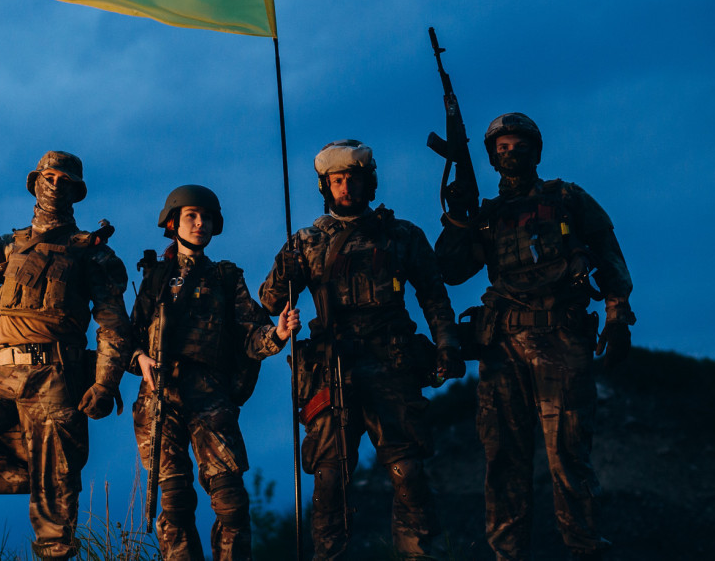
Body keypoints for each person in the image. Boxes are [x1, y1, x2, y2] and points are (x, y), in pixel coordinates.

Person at [434, 113, 635, 561]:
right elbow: (448, 271)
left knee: (569, 459)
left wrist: (617, 318)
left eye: (518, 144)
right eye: (501, 147)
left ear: (535, 150)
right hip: (502, 348)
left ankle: (584, 550)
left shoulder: (566, 198)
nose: (510, 153)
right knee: (503, 462)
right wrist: (459, 215)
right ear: (491, 157)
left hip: (561, 340)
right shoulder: (485, 217)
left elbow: (608, 254)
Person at [0, 151, 132, 561]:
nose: (54, 184)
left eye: (64, 179)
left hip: (52, 375)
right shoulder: (10, 247)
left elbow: (113, 326)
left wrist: (106, 384)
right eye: (48, 176)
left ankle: (54, 555)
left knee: (55, 481)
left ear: (76, 191)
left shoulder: (91, 252)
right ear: (35, 182)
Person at [258, 139, 464, 560]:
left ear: (369, 182)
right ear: (325, 187)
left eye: (352, 178)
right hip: (331, 369)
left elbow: (434, 296)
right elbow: (269, 299)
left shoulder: (401, 235)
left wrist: (447, 344)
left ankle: (420, 554)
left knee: (407, 471)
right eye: (336, 180)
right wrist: (289, 273)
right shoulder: (306, 242)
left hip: (392, 365)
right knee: (330, 478)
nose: (345, 187)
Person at [129, 185, 300, 561]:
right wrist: (140, 358)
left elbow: (251, 333)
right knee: (174, 501)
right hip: (159, 397)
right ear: (173, 222)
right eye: (191, 216)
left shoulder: (225, 278)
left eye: (206, 217)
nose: (199, 223)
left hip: (210, 396)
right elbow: (129, 336)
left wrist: (278, 334)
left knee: (230, 501)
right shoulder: (155, 278)